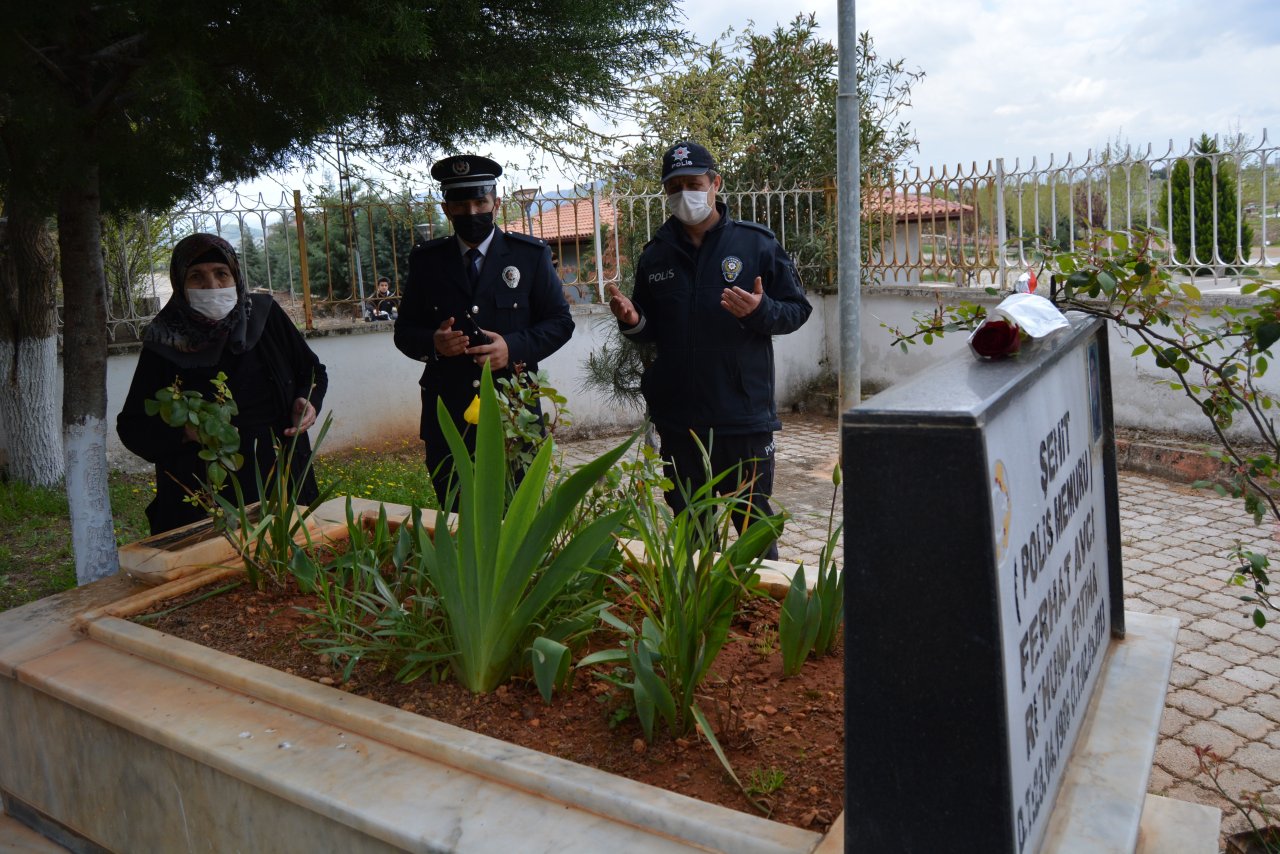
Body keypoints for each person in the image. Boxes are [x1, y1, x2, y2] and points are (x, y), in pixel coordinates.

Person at [605, 141, 812, 559]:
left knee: (752, 521)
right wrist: (632, 321)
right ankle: (697, 613)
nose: (685, 194)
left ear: (715, 183)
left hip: (742, 415)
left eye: (694, 183)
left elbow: (797, 310)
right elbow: (651, 330)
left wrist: (760, 310)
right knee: (690, 523)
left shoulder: (756, 244)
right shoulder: (656, 255)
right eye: (675, 186)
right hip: (680, 419)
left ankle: (763, 613)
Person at [117, 233, 328, 536]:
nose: (212, 286)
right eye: (197, 277)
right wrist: (183, 433)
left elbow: (312, 371)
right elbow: (133, 427)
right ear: (180, 282)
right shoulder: (165, 339)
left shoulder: (265, 317)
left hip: (281, 479)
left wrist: (308, 401)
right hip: (205, 495)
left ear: (236, 276)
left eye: (221, 273)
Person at [394, 154, 573, 508]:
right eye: (461, 204)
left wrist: (513, 347)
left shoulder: (528, 256)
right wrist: (434, 343)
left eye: (480, 202)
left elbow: (560, 322)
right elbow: (404, 331)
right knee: (457, 514)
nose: (471, 212)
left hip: (513, 413)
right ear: (446, 209)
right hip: (448, 415)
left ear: (497, 203)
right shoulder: (427, 261)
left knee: (516, 516)